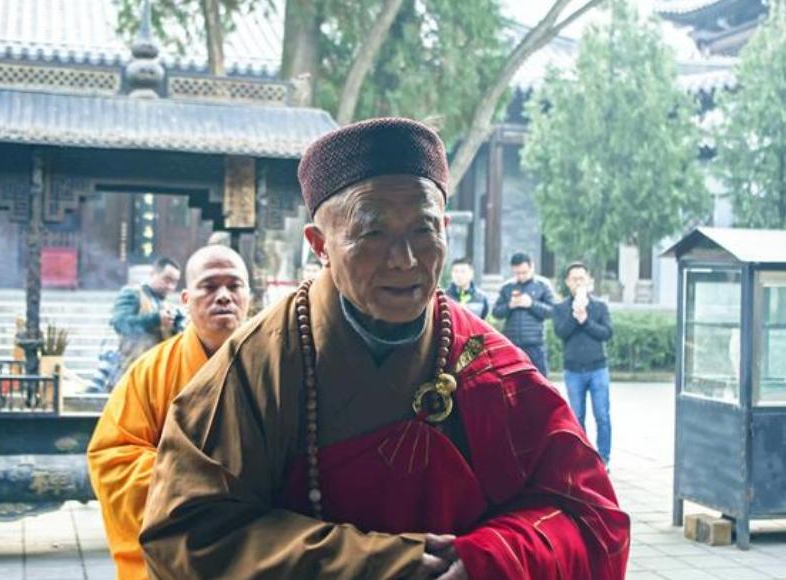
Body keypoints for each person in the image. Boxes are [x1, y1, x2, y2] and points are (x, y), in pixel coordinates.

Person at [140, 118, 629, 579]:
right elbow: (183, 533)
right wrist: (383, 565)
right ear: (319, 244)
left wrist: (490, 558)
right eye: (372, 232)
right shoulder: (257, 367)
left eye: (424, 230)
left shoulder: (488, 365)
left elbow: (592, 518)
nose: (405, 259)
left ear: (445, 230)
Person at [87, 246, 251, 580]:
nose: (223, 296)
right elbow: (113, 458)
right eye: (209, 286)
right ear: (186, 300)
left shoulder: (280, 364)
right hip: (176, 550)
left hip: (257, 541)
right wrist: (201, 488)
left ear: (250, 296)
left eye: (234, 286)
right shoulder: (150, 371)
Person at [553, 262, 614, 469]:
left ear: (589, 281)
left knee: (602, 415)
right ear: (567, 282)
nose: (578, 282)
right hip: (573, 371)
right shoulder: (560, 308)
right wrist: (574, 314)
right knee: (577, 417)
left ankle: (603, 458)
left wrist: (586, 320)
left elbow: (606, 333)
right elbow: (561, 332)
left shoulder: (600, 306)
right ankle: (583, 459)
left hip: (598, 368)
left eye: (582, 278)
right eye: (574, 279)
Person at [110, 257, 184, 378]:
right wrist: (156, 319)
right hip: (132, 368)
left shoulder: (168, 306)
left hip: (157, 371)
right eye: (167, 279)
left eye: (174, 282)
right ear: (153, 274)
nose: (170, 287)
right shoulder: (133, 293)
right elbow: (120, 322)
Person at [493, 252, 555, 376]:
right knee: (512, 381)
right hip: (512, 344)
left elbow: (552, 311)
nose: (521, 276)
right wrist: (509, 306)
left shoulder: (543, 285)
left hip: (535, 344)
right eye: (517, 273)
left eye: (524, 272)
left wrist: (531, 304)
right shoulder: (507, 287)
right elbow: (496, 312)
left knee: (539, 382)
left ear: (532, 267)